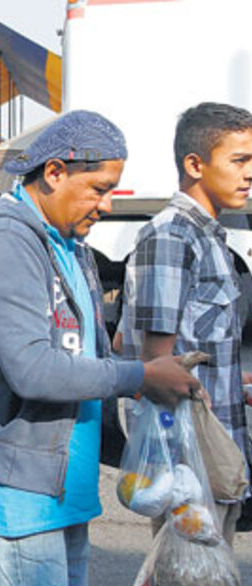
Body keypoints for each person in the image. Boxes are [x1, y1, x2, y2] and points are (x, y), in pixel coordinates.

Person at [0, 110, 201, 586]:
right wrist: (139, 376)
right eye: (99, 189)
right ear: (54, 173)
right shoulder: (6, 241)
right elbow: (33, 369)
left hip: (60, 477)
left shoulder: (68, 244)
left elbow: (79, 344)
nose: (107, 205)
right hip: (20, 484)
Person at [118, 101, 252, 545]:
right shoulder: (173, 236)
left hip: (217, 456)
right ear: (195, 164)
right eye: (239, 160)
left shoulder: (209, 235)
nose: (249, 174)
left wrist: (236, 381)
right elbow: (158, 366)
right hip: (189, 466)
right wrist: (181, 478)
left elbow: (197, 348)